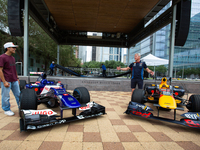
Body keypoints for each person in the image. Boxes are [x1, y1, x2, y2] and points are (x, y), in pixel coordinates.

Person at [0, 42, 20, 116]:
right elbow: (0, 70)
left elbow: (14, 69)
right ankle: (6, 109)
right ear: (8, 48)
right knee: (6, 96)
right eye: (13, 47)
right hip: (6, 80)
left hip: (14, 80)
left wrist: (17, 78)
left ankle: (21, 107)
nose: (14, 49)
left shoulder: (13, 58)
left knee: (18, 94)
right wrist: (4, 81)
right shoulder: (2, 57)